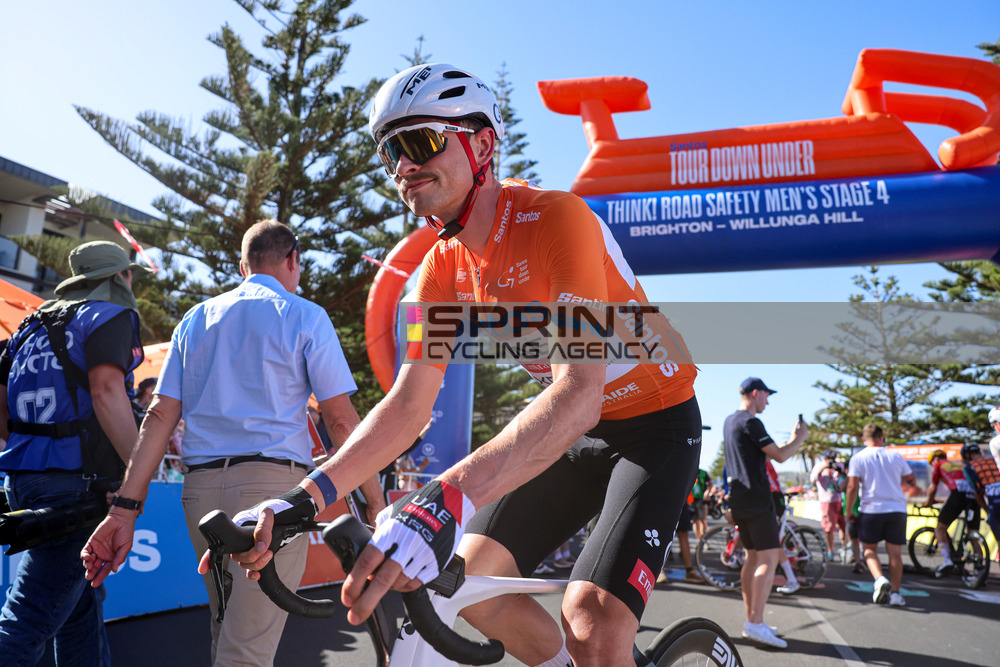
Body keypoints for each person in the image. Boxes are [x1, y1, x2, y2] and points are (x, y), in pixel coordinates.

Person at [227, 63, 700, 667]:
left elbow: (580, 391)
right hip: (575, 438)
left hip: (654, 427)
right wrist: (301, 499)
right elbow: (407, 405)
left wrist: (444, 497)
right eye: (389, 151)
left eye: (420, 141)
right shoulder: (438, 273)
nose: (402, 166)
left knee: (592, 619)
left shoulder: (559, 220)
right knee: (470, 586)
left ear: (482, 143)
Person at [80, 221, 385, 667]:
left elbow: (161, 416)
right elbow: (340, 419)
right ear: (293, 260)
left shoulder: (195, 319)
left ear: (243, 266)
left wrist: (124, 509)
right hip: (273, 494)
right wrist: (375, 502)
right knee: (246, 651)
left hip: (200, 493)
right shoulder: (304, 314)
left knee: (228, 631)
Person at [0, 241, 147, 665]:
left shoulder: (27, 328)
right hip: (73, 485)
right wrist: (139, 475)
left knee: (79, 607)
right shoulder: (108, 315)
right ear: (119, 276)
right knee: (27, 619)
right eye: (129, 274)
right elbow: (105, 391)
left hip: (23, 482)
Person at [723, 377, 808, 649]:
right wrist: (800, 438)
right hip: (758, 500)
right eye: (766, 396)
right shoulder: (751, 422)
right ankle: (755, 623)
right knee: (768, 560)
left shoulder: (730, 421)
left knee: (752, 558)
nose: (768, 402)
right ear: (755, 393)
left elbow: (762, 455)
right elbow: (781, 456)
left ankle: (753, 620)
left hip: (741, 500)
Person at [845, 424, 920, 608]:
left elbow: (852, 487)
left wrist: (848, 510)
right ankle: (895, 593)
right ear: (881, 438)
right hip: (897, 509)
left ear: (864, 439)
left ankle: (879, 579)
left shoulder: (858, 458)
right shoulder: (895, 456)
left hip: (871, 510)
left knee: (869, 550)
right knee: (895, 554)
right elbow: (911, 480)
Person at [921, 448, 979, 575]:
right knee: (973, 534)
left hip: (957, 497)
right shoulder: (957, 465)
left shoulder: (939, 465)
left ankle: (947, 560)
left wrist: (929, 502)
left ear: (934, 460)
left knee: (940, 529)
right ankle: (981, 568)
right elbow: (961, 487)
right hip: (973, 498)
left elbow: (933, 487)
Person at [961, 443, 1000, 556]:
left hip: (995, 507)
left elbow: (977, 494)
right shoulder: (994, 460)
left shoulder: (970, 467)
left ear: (967, 456)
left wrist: (987, 511)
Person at [810, 449, 847, 561]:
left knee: (844, 525)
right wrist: (824, 468)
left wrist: (840, 471)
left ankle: (845, 548)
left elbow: (844, 478)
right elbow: (813, 479)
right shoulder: (819, 466)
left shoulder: (839, 465)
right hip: (827, 500)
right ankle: (830, 551)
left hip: (840, 499)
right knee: (829, 527)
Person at [656, 504, 703, 584]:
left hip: (681, 500)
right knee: (660, 533)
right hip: (663, 498)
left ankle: (689, 570)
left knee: (683, 533)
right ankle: (657, 570)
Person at [690, 468, 712, 539]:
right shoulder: (689, 471)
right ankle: (699, 540)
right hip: (691, 500)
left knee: (703, 520)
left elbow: (710, 483)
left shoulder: (703, 473)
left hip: (701, 500)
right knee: (695, 521)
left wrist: (708, 492)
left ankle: (703, 540)